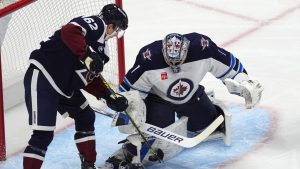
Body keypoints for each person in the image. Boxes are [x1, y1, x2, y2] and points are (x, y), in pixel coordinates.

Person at [101, 32, 264, 169]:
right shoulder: (149, 58)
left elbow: (231, 67)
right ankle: (125, 155)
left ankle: (204, 111)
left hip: (191, 95)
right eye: (170, 61)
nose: (174, 66)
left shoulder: (203, 48)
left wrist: (243, 83)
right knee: (155, 141)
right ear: (163, 52)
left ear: (187, 50)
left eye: (178, 61)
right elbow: (129, 91)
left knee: (206, 127)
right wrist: (132, 109)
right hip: (158, 100)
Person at [22, 4, 129, 169]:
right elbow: (69, 31)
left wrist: (107, 95)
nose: (116, 35)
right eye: (118, 30)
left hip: (65, 86)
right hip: (45, 76)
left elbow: (87, 77)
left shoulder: (103, 52)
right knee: (43, 134)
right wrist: (87, 55)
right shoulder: (96, 24)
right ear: (110, 26)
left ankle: (88, 165)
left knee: (85, 116)